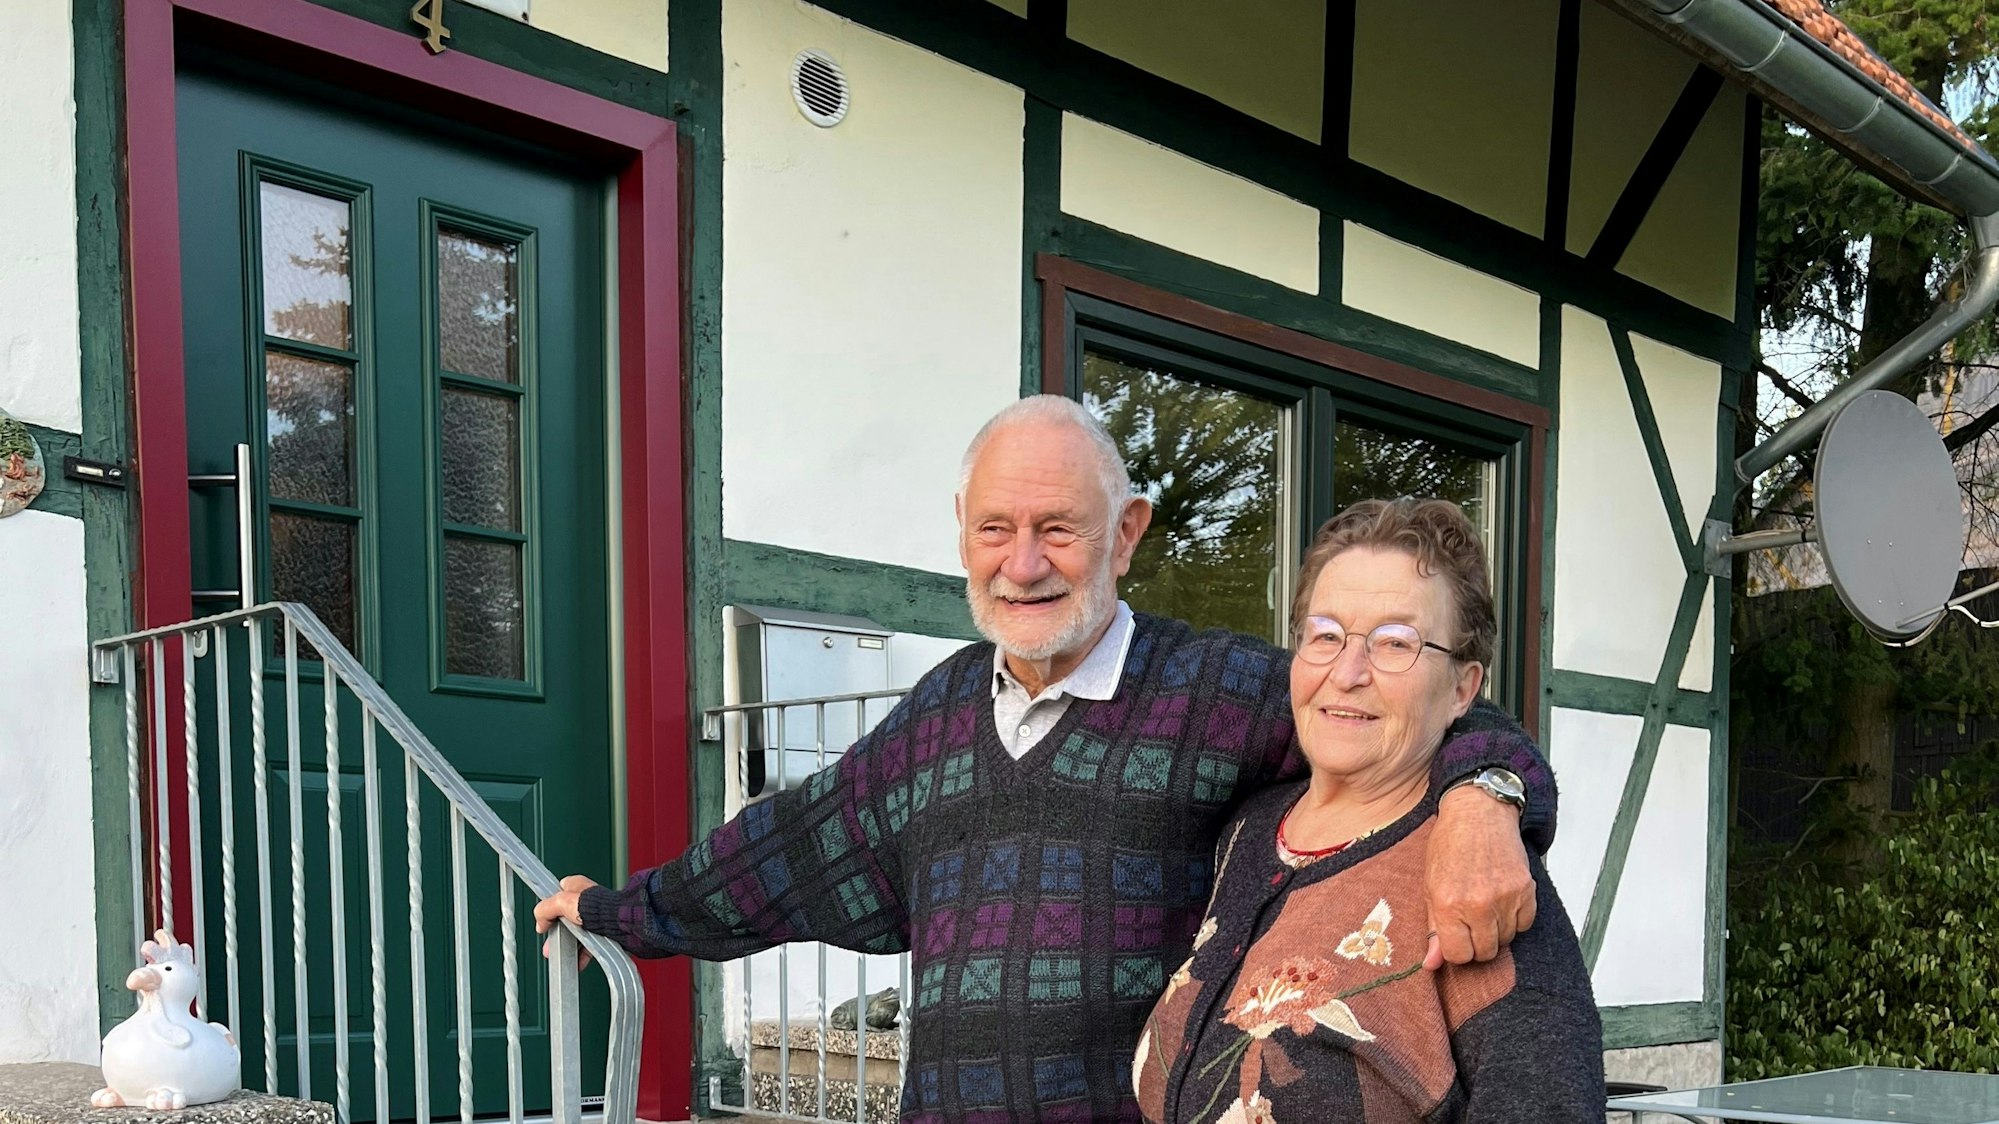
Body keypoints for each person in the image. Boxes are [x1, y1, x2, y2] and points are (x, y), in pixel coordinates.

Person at [535, 396, 1559, 1120]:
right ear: (963, 535)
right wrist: (615, 911)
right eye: (996, 528)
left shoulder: (1223, 689)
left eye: (1058, 528)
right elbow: (779, 849)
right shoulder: (934, 712)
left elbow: (1415, 716)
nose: (1022, 562)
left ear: (1124, 535)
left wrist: (1485, 798)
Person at [1134, 498, 1599, 1123]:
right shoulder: (1248, 828)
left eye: (1395, 643)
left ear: (1463, 688)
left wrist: (1485, 798)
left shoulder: (1480, 885)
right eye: (1326, 635)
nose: (1348, 672)